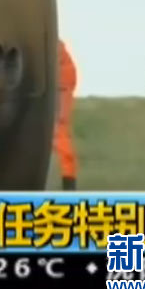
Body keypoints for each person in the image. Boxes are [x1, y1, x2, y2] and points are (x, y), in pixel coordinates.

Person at [54, 39, 78, 190]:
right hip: (59, 87)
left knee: (60, 134)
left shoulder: (54, 48)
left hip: (60, 88)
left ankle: (68, 190)